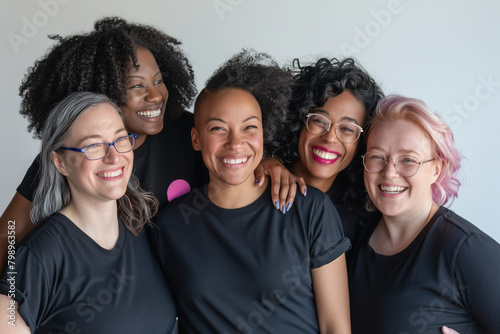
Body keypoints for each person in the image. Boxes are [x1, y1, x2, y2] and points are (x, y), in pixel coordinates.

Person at [0, 17, 303, 274]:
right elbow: (8, 234)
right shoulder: (72, 154)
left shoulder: (187, 133)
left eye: (158, 81)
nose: (156, 96)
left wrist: (270, 163)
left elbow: (234, 156)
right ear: (101, 91)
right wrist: (13, 292)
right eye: (136, 86)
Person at [151, 50, 351, 333]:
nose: (235, 143)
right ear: (196, 139)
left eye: (249, 128)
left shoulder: (310, 209)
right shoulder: (169, 226)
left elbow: (336, 326)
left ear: (262, 134)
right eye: (219, 129)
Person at [0, 92, 176, 333]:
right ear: (59, 162)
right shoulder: (42, 254)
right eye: (93, 146)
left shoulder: (142, 226)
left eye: (121, 139)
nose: (114, 157)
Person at [347, 95, 500, 333]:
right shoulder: (353, 235)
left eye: (408, 160)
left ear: (436, 169)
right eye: (377, 157)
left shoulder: (465, 250)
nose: (389, 173)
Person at [270, 57, 384, 241]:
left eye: (347, 129)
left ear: (362, 142)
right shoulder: (260, 175)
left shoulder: (360, 220)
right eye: (319, 121)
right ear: (298, 121)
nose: (330, 137)